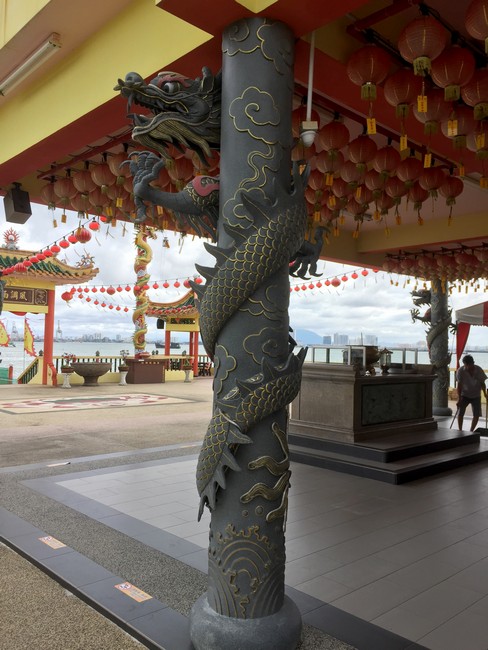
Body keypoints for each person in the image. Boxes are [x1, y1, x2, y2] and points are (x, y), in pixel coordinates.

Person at [456, 355, 487, 431]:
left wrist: (485, 394)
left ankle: (471, 431)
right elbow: (459, 386)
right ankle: (460, 430)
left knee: (476, 414)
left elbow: (482, 383)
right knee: (460, 413)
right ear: (464, 364)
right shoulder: (460, 371)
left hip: (476, 395)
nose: (469, 367)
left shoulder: (479, 370)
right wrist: (459, 399)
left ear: (473, 363)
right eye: (467, 365)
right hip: (464, 394)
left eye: (470, 364)